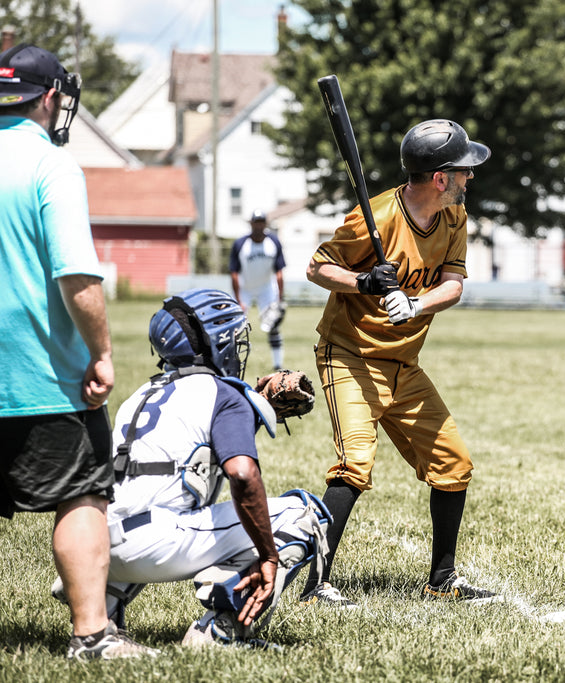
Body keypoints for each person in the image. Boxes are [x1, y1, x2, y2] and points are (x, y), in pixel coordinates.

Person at [51, 288, 331, 649]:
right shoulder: (223, 394)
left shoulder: (143, 393)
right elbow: (242, 473)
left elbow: (191, 446)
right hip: (155, 544)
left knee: (152, 495)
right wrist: (268, 555)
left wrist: (253, 407)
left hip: (94, 543)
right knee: (306, 515)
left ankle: (105, 610)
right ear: (217, 344)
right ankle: (219, 631)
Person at [300, 119, 500, 606]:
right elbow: (317, 266)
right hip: (350, 356)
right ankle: (315, 585)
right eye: (463, 171)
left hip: (402, 362)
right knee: (354, 466)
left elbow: (452, 284)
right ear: (439, 178)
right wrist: (365, 282)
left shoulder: (454, 217)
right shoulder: (377, 217)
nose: (469, 178)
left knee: (453, 462)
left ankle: (442, 581)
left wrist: (415, 304)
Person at [0, 43, 155, 660]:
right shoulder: (51, 165)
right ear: (50, 97)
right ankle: (91, 634)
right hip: (42, 373)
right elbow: (76, 275)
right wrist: (102, 353)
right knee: (81, 494)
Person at [230, 210, 287, 371]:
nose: (259, 225)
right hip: (244, 288)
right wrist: (239, 299)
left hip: (266, 288)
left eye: (261, 222)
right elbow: (234, 273)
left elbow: (279, 272)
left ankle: (278, 364)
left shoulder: (273, 242)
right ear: (251, 223)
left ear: (265, 223)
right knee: (236, 327)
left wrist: (279, 298)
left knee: (273, 325)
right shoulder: (241, 244)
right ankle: (232, 362)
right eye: (256, 222)